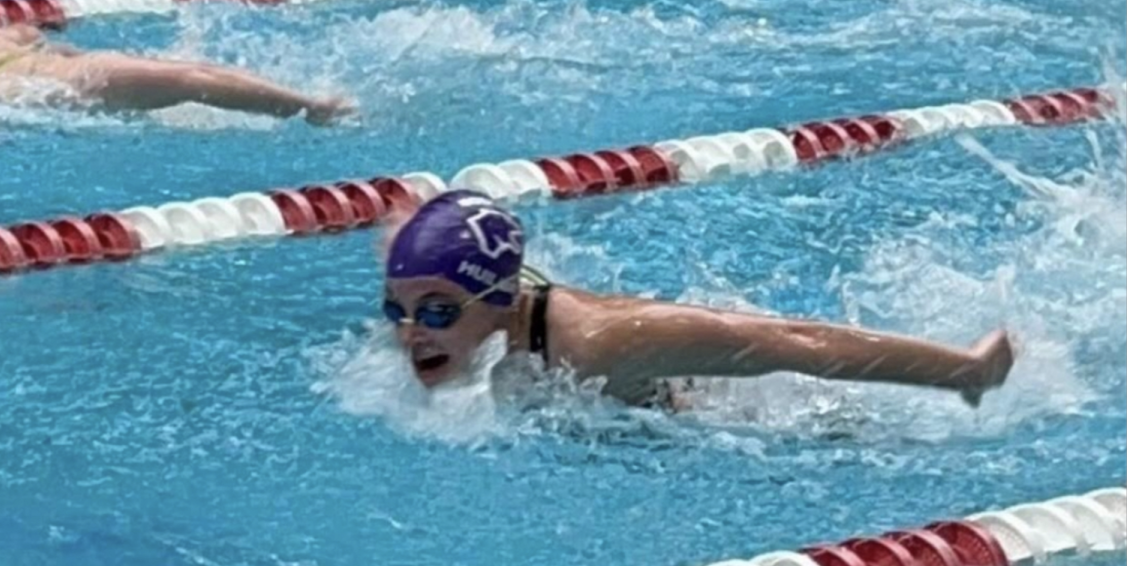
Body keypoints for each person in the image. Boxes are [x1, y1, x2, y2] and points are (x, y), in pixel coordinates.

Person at [381, 190, 1015, 409]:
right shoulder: (475, 315)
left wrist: (964, 370)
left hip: (739, 422)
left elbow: (792, 343)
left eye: (437, 312)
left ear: (499, 297)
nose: (412, 334)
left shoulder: (600, 342)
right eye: (397, 311)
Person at [0, 24, 353, 124]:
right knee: (196, 77)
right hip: (85, 74)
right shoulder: (12, 35)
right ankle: (314, 107)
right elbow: (65, 48)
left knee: (196, 77)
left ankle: (304, 103)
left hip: (63, 87)